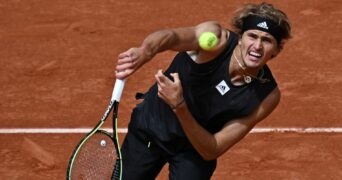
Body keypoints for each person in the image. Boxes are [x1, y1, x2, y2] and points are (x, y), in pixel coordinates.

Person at [115, 2, 291, 179]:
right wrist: (146, 51)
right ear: (240, 38)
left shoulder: (267, 96)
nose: (257, 46)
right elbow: (172, 36)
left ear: (276, 50)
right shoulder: (215, 39)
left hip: (195, 148)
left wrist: (179, 106)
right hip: (153, 125)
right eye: (252, 36)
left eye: (267, 40)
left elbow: (212, 149)